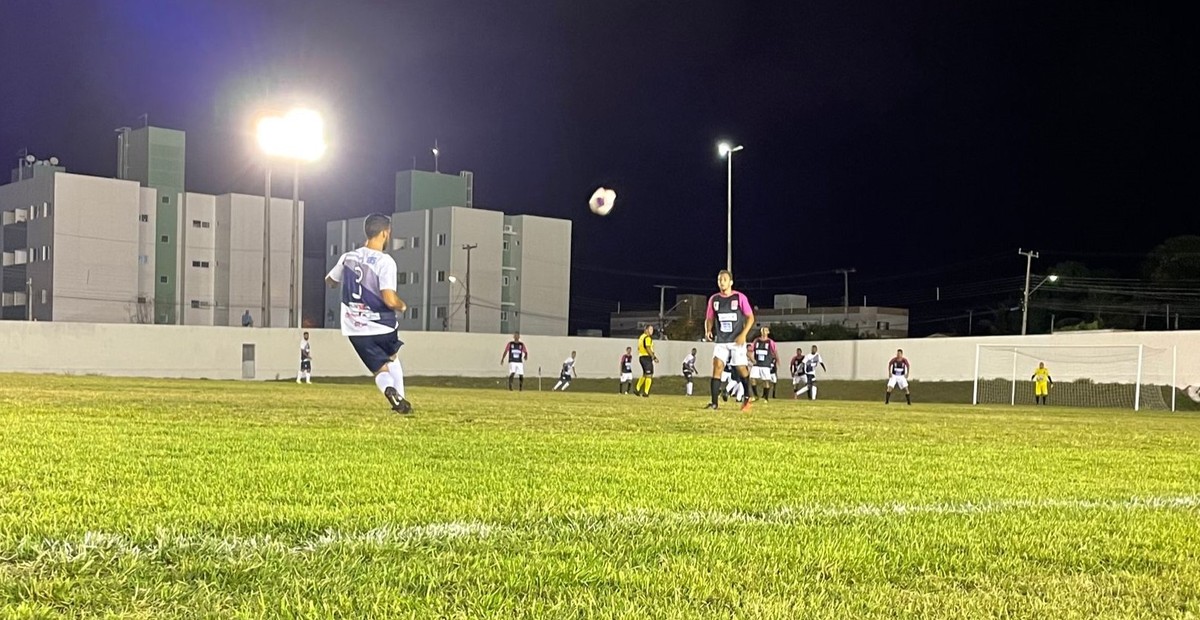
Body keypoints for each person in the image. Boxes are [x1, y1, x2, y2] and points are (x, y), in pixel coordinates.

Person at [324, 213, 411, 414]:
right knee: (392, 358)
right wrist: (402, 305)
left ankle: (392, 393)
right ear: (384, 233)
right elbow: (389, 298)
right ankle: (400, 398)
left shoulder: (348, 257)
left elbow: (329, 281)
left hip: (354, 328)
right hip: (381, 325)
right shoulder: (385, 261)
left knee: (379, 369)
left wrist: (338, 281)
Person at [704, 269, 755, 411]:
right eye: (719, 280)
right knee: (717, 366)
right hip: (721, 341)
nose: (721, 282)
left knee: (740, 368)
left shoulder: (739, 297)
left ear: (731, 282)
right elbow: (709, 318)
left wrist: (744, 334)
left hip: (736, 340)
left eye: (724, 279)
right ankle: (714, 403)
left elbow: (750, 318)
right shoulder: (714, 299)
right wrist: (708, 330)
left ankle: (747, 396)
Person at [749, 327, 778, 401]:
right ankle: (756, 395)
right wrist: (752, 359)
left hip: (765, 364)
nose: (764, 332)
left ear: (768, 332)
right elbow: (750, 350)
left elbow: (774, 352)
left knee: (766, 380)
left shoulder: (770, 342)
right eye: (762, 330)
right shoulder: (756, 340)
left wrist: (776, 360)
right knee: (752, 378)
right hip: (757, 364)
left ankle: (766, 397)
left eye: (765, 330)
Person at [635, 324, 659, 397]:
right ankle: (646, 392)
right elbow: (648, 348)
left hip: (641, 357)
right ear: (646, 330)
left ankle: (637, 389)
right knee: (649, 375)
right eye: (650, 329)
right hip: (646, 357)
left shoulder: (641, 337)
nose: (652, 331)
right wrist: (654, 357)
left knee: (645, 374)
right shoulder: (647, 338)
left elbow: (639, 348)